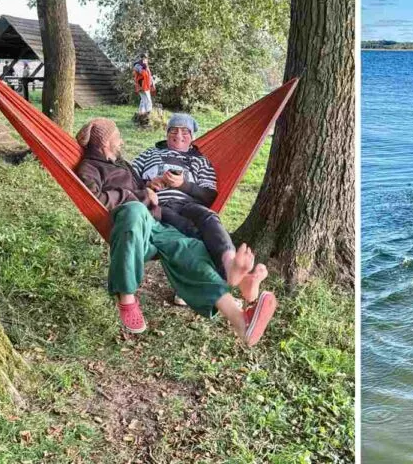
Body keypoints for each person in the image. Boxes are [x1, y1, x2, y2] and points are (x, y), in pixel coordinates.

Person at [75, 117, 276, 346]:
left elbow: (141, 185)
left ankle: (241, 321)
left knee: (191, 249)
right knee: (134, 209)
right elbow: (94, 197)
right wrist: (141, 196)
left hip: (156, 222)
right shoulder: (90, 168)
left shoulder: (121, 163)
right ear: (105, 143)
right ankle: (126, 296)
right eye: (117, 137)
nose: (121, 142)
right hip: (131, 224)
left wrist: (151, 185)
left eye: (185, 132)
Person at [131, 113, 249, 308]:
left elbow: (209, 195)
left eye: (185, 131)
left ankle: (230, 266)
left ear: (192, 136)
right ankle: (196, 291)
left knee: (210, 218)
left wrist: (183, 185)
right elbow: (128, 179)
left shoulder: (200, 161)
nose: (179, 135)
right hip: (158, 206)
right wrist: (148, 184)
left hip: (189, 204)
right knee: (191, 233)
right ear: (167, 133)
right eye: (173, 130)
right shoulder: (149, 154)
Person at [133, 53, 155, 125]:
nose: (146, 59)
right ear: (142, 58)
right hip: (142, 85)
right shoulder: (138, 65)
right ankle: (149, 115)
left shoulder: (145, 66)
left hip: (146, 85)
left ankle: (141, 114)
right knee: (148, 101)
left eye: (146, 58)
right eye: (145, 58)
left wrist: (152, 84)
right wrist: (144, 66)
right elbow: (143, 74)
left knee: (143, 100)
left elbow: (149, 76)